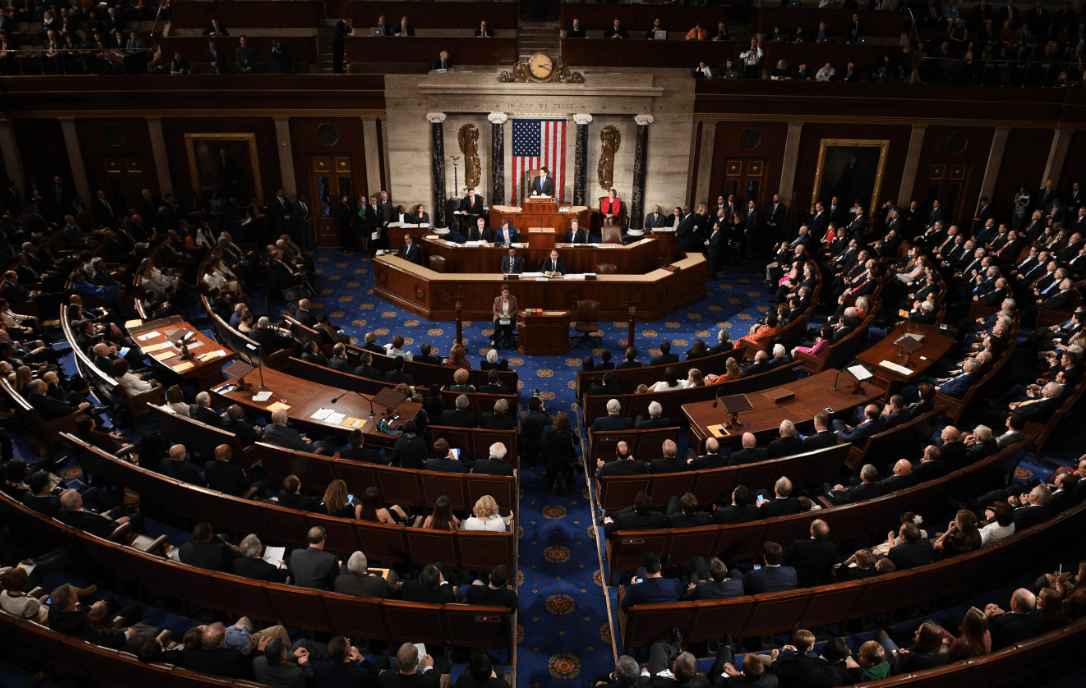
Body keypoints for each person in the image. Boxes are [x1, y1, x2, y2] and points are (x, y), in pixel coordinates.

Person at [544, 411, 579, 494]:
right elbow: (577, 442)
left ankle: (554, 481)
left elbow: (546, 443)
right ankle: (565, 481)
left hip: (553, 458)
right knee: (568, 472)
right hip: (567, 458)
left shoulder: (550, 432)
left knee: (551, 471)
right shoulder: (570, 433)